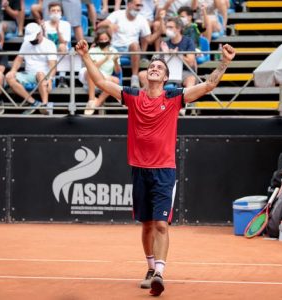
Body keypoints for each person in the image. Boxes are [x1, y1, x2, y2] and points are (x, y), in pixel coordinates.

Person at [76, 38, 235, 296]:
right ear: (146, 74)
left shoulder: (174, 98)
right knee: (147, 225)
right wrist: (85, 56)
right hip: (139, 170)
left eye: (159, 67)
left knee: (161, 225)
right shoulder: (133, 96)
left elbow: (209, 86)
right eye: (151, 66)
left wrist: (224, 63)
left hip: (164, 171)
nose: (154, 68)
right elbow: (103, 83)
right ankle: (150, 269)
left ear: (165, 78)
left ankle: (160, 272)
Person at [97, 0, 164, 88]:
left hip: (130, 50)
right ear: (129, 4)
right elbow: (99, 26)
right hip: (113, 49)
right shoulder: (117, 14)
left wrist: (161, 28)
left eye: (140, 6)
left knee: (135, 45)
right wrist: (109, 26)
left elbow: (149, 40)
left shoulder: (142, 19)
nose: (139, 8)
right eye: (137, 5)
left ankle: (134, 77)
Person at [6, 22, 57, 115]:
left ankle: (44, 104)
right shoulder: (26, 43)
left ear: (40, 33)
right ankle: (34, 102)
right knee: (9, 76)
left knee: (40, 74)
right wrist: (13, 71)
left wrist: (50, 79)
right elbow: (18, 59)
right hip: (28, 74)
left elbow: (53, 66)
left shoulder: (49, 44)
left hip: (44, 75)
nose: (31, 41)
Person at [139, 17, 197, 89]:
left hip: (184, 72)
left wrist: (177, 54)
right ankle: (152, 99)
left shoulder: (188, 41)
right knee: (142, 75)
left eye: (170, 27)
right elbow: (156, 62)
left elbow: (190, 62)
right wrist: (163, 55)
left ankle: (186, 100)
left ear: (178, 28)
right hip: (167, 73)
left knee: (191, 79)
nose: (167, 30)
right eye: (167, 27)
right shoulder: (165, 43)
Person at [79, 26, 121, 115]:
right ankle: (91, 99)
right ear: (97, 40)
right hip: (91, 79)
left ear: (109, 39)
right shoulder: (93, 50)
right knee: (91, 71)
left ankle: (96, 103)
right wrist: (105, 58)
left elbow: (117, 72)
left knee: (116, 81)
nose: (104, 41)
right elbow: (92, 66)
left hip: (106, 78)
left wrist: (115, 61)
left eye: (106, 39)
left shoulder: (114, 50)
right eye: (101, 39)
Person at [42, 2, 71, 88]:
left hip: (60, 48)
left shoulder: (66, 24)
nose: (55, 12)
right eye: (53, 10)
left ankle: (62, 77)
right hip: (47, 48)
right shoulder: (45, 24)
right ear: (49, 12)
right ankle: (51, 77)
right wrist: (43, 32)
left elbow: (64, 42)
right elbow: (43, 42)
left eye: (58, 10)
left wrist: (58, 30)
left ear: (61, 13)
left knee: (62, 47)